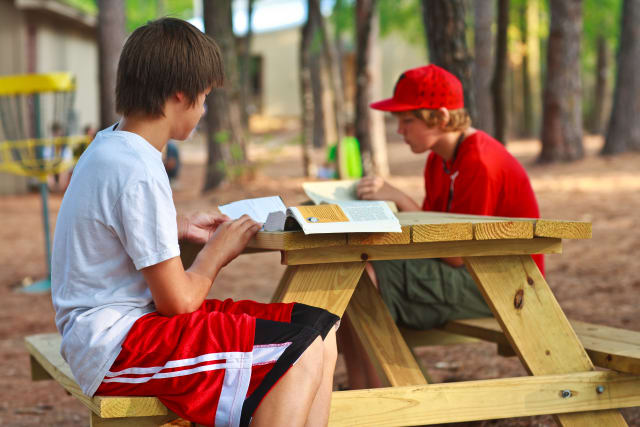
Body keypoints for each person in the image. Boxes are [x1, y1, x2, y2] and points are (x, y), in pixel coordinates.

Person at [51, 18, 338, 427]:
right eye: (203, 99)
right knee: (299, 352)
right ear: (179, 97)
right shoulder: (136, 168)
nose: (203, 112)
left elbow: (118, 228)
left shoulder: (112, 146)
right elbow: (180, 303)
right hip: (116, 346)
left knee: (318, 331)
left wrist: (176, 225)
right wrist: (216, 254)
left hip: (125, 330)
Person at [338, 64, 543, 389]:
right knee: (348, 271)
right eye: (398, 121)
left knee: (363, 275)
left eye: (408, 120)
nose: (399, 131)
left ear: (442, 118)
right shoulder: (439, 159)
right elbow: (434, 234)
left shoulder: (480, 162)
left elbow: (455, 255)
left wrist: (400, 200)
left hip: (505, 286)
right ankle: (361, 391)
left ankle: (388, 400)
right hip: (469, 273)